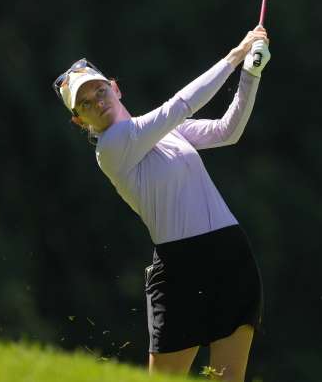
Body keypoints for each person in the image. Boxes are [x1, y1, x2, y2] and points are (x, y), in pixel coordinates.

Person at [53, 26, 272, 382]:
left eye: (100, 90)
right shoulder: (110, 148)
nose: (98, 101)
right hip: (181, 267)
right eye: (86, 103)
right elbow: (180, 105)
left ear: (115, 87)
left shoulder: (162, 132)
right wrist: (236, 55)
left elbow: (227, 131)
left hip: (231, 255)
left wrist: (252, 72)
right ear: (80, 120)